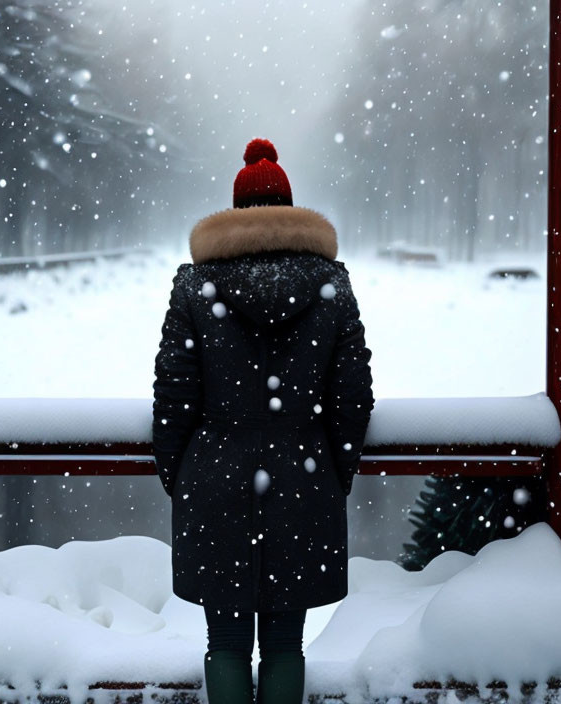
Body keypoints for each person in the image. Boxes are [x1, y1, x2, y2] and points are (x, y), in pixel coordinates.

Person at [152, 138, 374, 704]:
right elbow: (352, 397)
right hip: (302, 476)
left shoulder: (195, 286)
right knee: (285, 645)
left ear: (234, 211)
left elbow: (175, 393)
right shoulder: (330, 283)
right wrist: (331, 471)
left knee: (224, 641)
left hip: (216, 475)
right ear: (290, 207)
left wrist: (184, 474)